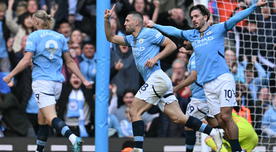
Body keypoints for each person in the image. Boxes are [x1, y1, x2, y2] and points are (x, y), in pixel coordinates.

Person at [147, 1, 267, 151]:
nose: (194, 19)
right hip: (207, 86)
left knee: (225, 117)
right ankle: (236, 147)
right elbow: (174, 30)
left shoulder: (217, 29)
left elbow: (236, 18)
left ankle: (236, 150)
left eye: (197, 16)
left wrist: (254, 7)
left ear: (205, 16)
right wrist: (155, 25)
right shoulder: (192, 34)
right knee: (219, 121)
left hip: (223, 79)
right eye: (192, 17)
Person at [104, 6, 223, 152]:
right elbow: (110, 37)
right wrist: (106, 20)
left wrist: (155, 58)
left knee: (134, 110)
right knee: (178, 118)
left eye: (127, 21)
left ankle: (138, 149)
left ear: (136, 22)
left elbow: (171, 45)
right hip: (159, 82)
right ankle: (213, 132)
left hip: (157, 78)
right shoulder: (131, 39)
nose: (124, 23)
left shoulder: (148, 33)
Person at [2, 10, 92, 152]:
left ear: (37, 21)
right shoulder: (60, 37)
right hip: (57, 84)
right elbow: (69, 62)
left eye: (33, 19)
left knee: (50, 117)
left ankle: (73, 138)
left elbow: (26, 60)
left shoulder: (34, 36)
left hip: (42, 82)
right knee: (42, 118)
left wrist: (10, 75)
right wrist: (84, 80)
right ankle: (39, 150)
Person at [174, 44, 218, 152]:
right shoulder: (201, 53)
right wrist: (188, 52)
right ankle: (232, 144)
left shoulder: (195, 58)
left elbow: (193, 77)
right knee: (214, 123)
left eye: (186, 40)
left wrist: (176, 88)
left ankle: (215, 134)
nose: (184, 43)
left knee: (189, 124)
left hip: (200, 97)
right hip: (211, 95)